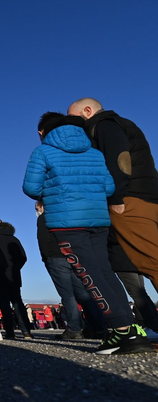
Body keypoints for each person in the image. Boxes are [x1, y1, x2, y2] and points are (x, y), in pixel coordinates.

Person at [23, 111, 153, 354]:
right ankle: (132, 328)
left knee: (88, 274)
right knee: (105, 271)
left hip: (67, 222)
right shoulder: (93, 151)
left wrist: (52, 192)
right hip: (98, 220)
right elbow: (109, 186)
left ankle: (122, 332)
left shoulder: (43, 151)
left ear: (44, 132)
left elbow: (30, 187)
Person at [69, 98, 158, 294]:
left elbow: (119, 160)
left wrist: (116, 197)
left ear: (87, 110)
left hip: (130, 200)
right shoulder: (121, 123)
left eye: (73, 117)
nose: (71, 123)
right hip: (147, 196)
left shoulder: (102, 125)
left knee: (152, 261)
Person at [36, 201, 106, 339]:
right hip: (74, 256)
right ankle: (98, 326)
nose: (37, 211)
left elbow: (43, 239)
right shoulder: (67, 216)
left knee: (67, 294)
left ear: (43, 206)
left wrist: (45, 258)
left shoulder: (44, 218)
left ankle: (74, 328)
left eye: (37, 208)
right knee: (84, 293)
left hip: (55, 257)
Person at [0, 219, 32, 340]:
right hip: (14, 274)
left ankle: (10, 331)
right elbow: (23, 257)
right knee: (17, 301)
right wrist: (16, 268)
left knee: (4, 303)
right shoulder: (14, 239)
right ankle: (26, 331)